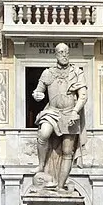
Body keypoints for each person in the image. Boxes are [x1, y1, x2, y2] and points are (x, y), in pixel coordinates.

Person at [30, 42, 89, 193]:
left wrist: (76, 111)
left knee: (67, 151)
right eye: (61, 52)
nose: (64, 55)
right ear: (55, 55)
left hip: (70, 113)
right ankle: (41, 164)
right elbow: (38, 91)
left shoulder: (76, 72)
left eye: (66, 52)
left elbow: (83, 96)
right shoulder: (47, 73)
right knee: (43, 134)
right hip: (52, 111)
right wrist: (37, 95)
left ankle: (60, 185)